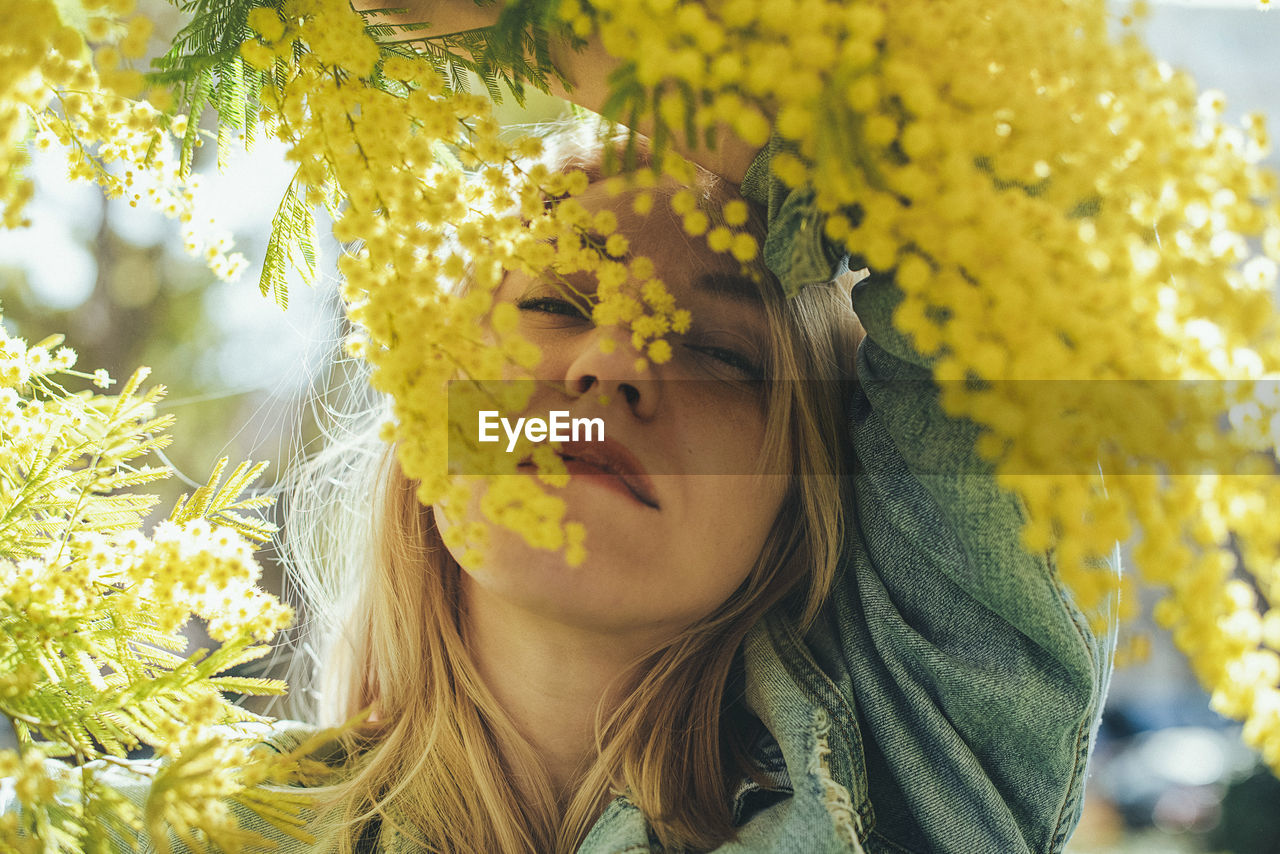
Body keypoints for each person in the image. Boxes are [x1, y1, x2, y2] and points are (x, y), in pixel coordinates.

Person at [3, 6, 1117, 853]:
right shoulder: (138, 823)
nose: (613, 361)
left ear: (805, 500)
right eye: (554, 304)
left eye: (722, 353)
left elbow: (1007, 227)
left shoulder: (921, 777)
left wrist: (520, 21)